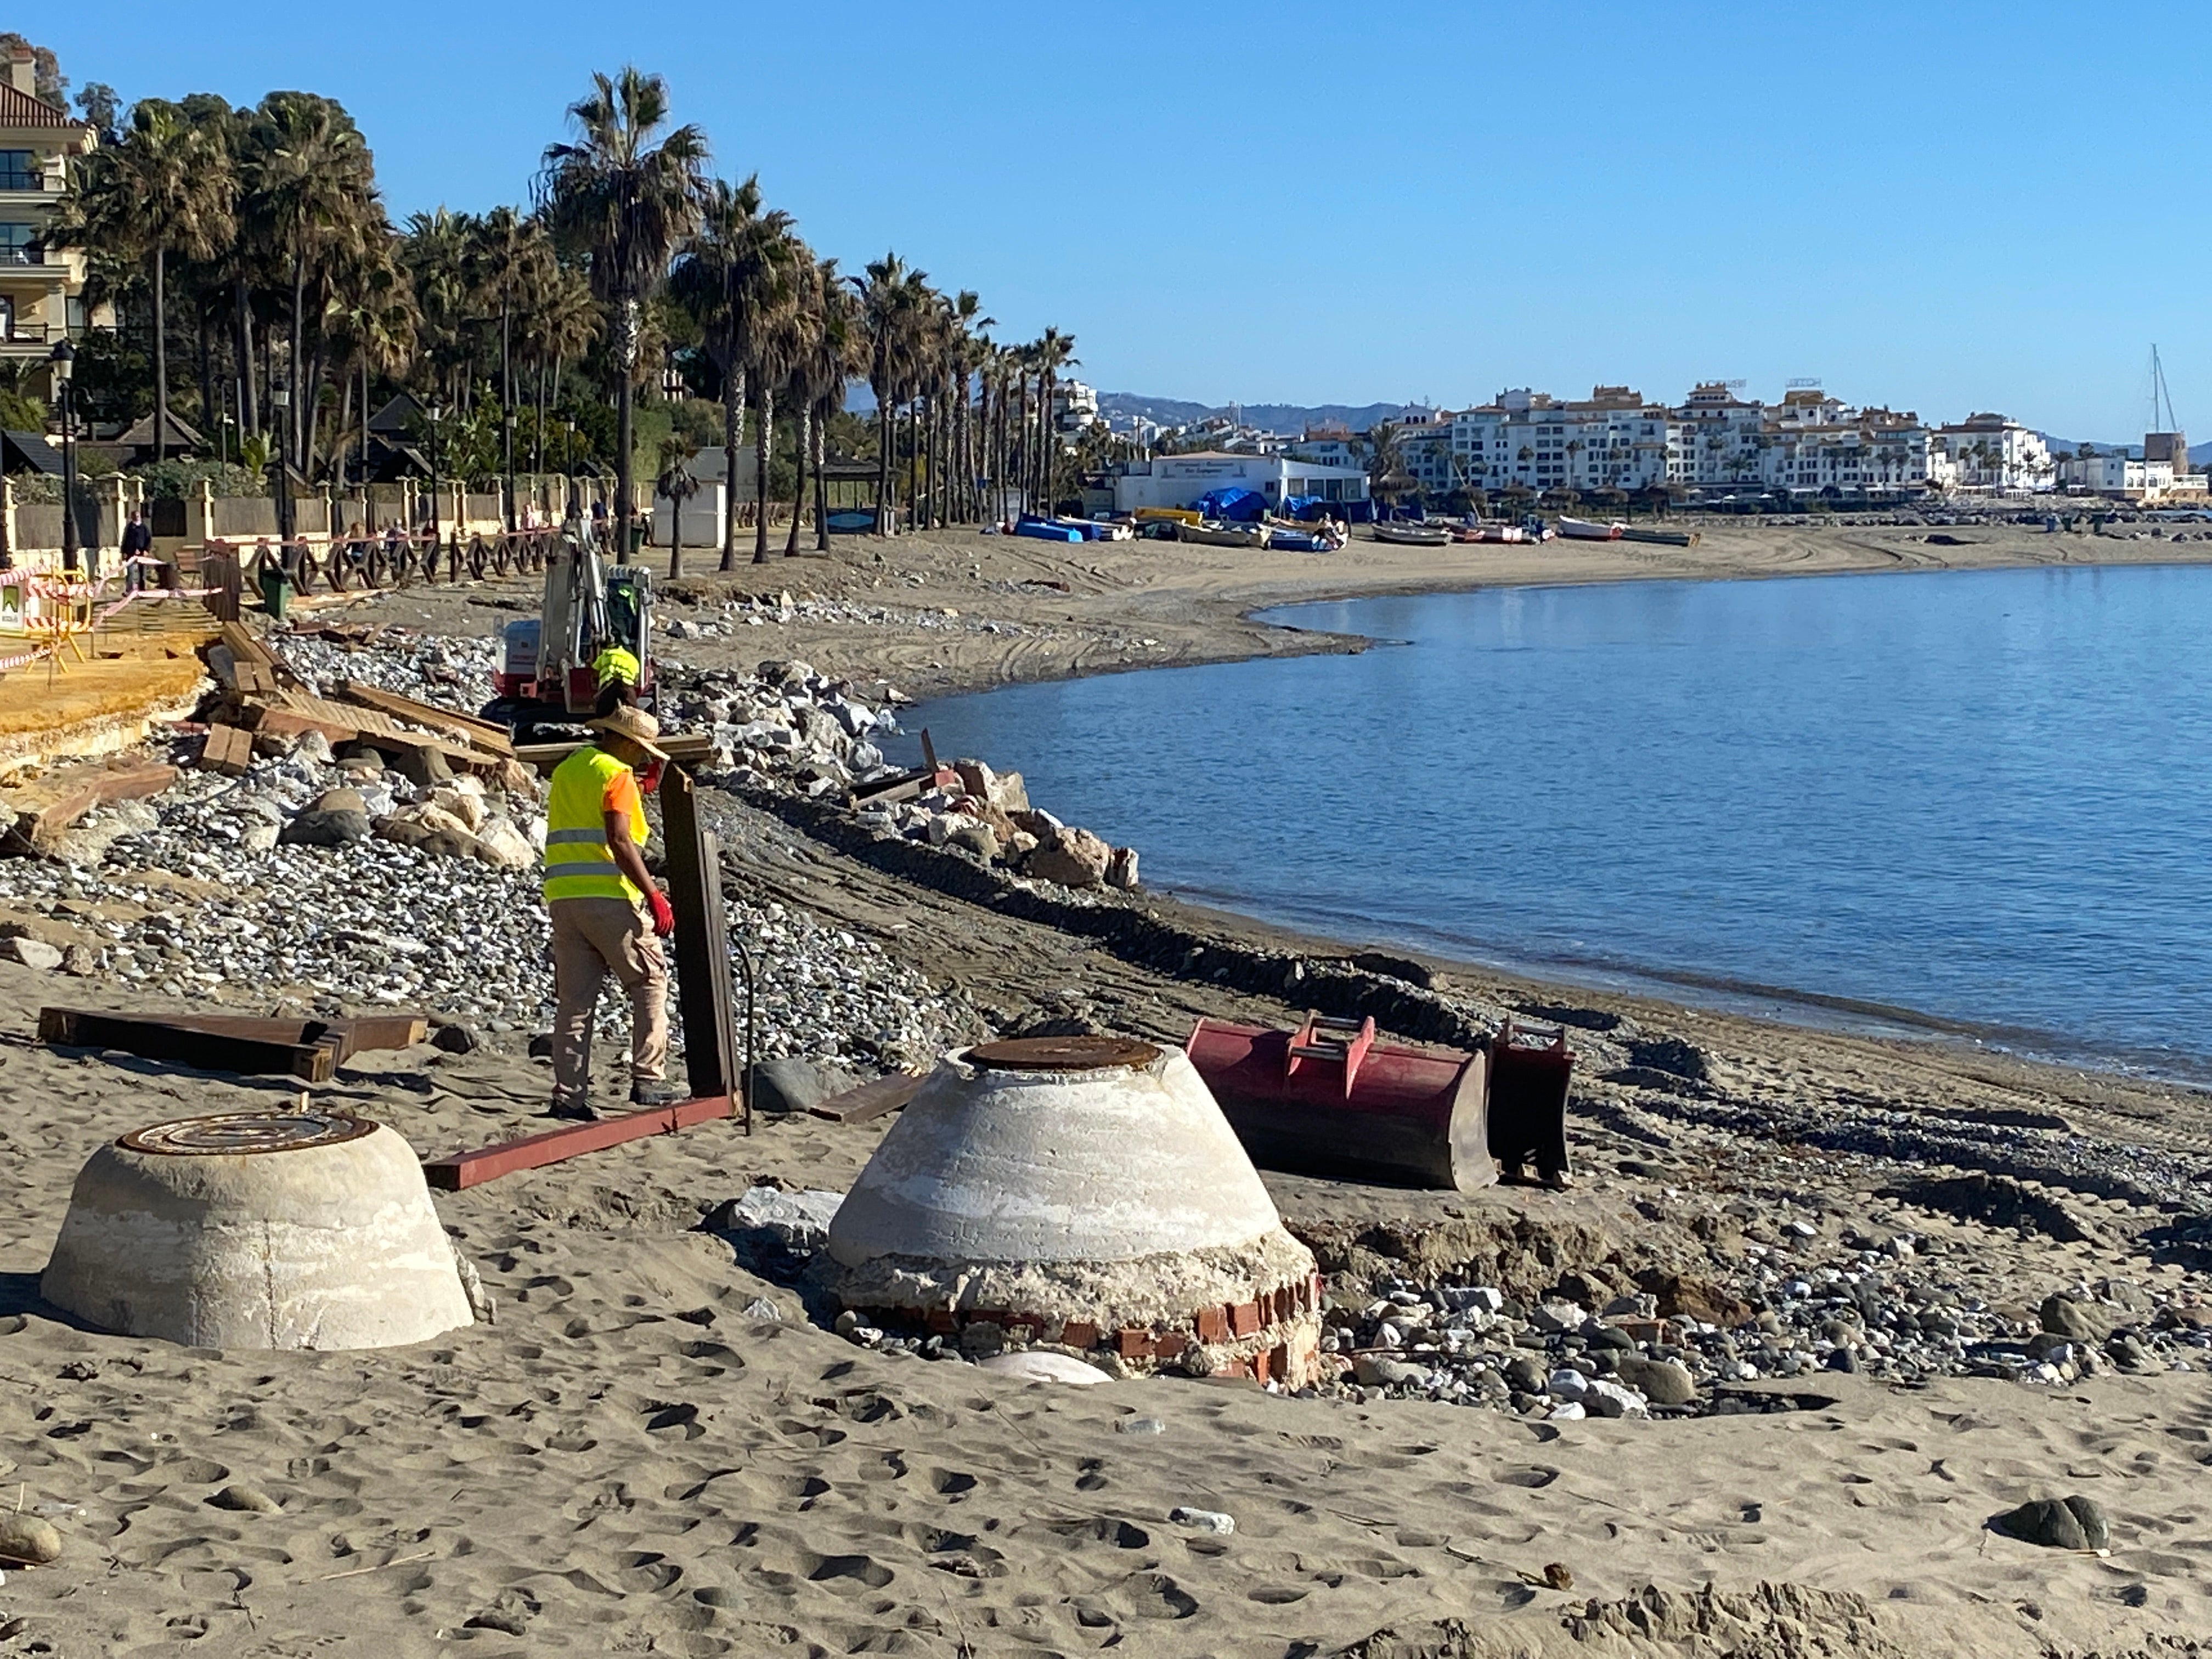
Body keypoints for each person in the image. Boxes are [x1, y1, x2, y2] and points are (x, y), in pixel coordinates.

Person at [541, 704, 678, 1120]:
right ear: (624, 742)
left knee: (575, 1002)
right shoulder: (616, 775)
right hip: (610, 899)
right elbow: (619, 840)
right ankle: (648, 1078)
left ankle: (569, 1097)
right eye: (641, 750)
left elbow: (585, 817)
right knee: (650, 981)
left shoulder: (571, 767)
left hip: (564, 896)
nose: (645, 757)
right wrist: (653, 894)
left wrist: (637, 789)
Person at [119, 507, 153, 592]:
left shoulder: (144, 528)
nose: (137, 517)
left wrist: (146, 550)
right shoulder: (129, 527)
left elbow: (148, 539)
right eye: (135, 516)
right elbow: (125, 540)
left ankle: (142, 589)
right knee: (130, 573)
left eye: (138, 516)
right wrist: (124, 552)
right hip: (130, 553)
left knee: (142, 572)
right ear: (132, 517)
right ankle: (129, 590)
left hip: (141, 553)